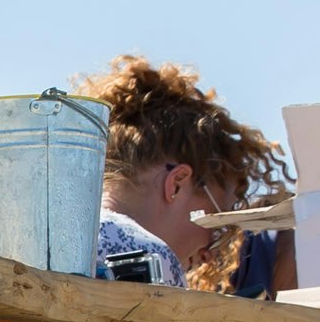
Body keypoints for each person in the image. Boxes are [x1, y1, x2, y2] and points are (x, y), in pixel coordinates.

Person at [84, 54, 295, 296]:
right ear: (176, 184)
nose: (211, 254)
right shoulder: (152, 258)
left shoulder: (49, 237)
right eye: (217, 224)